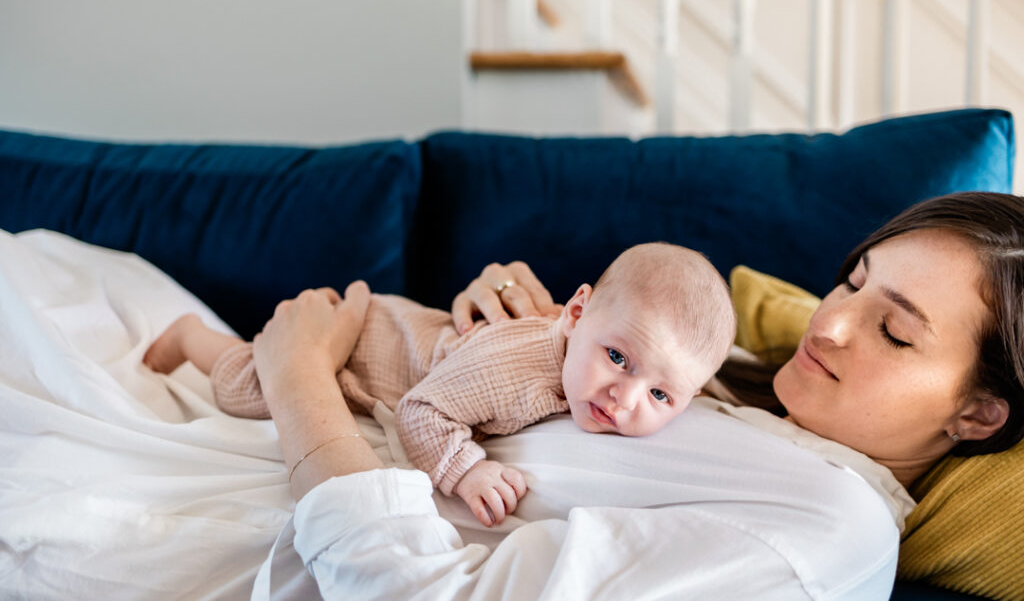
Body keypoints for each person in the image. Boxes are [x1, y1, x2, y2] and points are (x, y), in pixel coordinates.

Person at [244, 191, 1024, 599]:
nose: (832, 323)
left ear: (978, 412)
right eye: (852, 280)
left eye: (893, 330)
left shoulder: (826, 532)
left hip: (291, 519)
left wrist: (298, 378)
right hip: (312, 431)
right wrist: (512, 325)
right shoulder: (732, 376)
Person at [145, 242, 736, 527]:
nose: (625, 399)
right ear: (575, 314)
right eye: (617, 357)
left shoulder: (599, 378)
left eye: (662, 396)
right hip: (364, 347)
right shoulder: (518, 369)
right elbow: (423, 411)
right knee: (251, 385)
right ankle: (192, 335)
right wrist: (466, 470)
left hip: (405, 332)